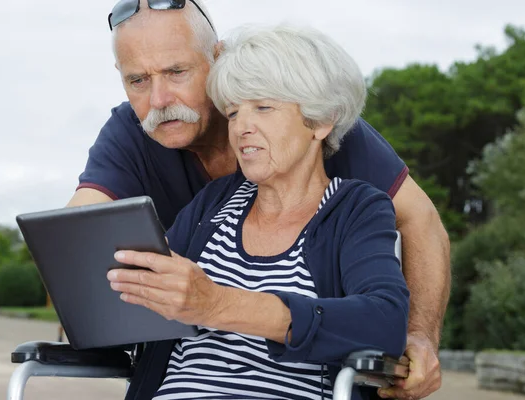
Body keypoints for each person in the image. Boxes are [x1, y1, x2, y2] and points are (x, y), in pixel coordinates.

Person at [69, 1, 450, 399]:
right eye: (232, 112)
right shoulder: (209, 206)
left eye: (264, 107)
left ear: (321, 121)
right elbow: (86, 234)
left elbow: (386, 314)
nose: (243, 129)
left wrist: (218, 305)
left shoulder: (353, 205)